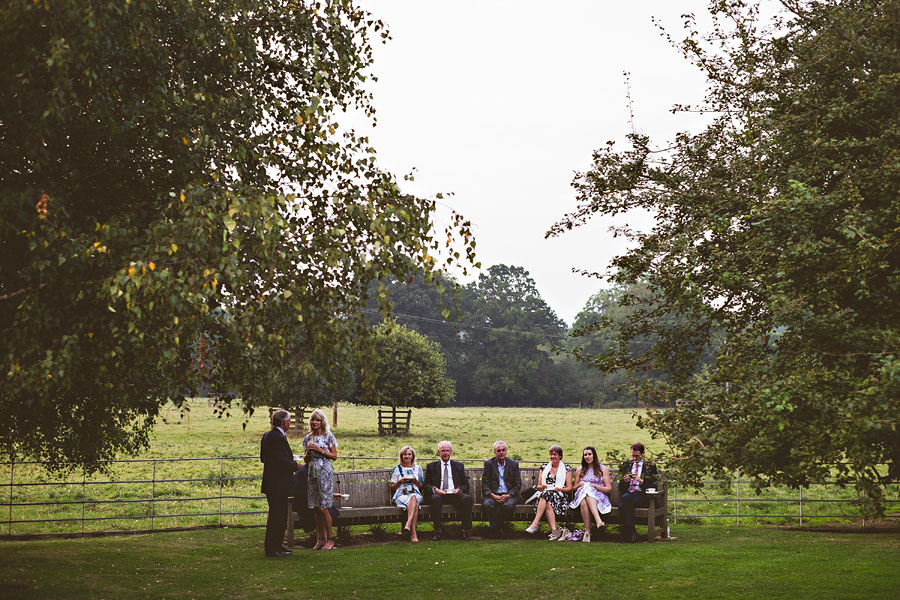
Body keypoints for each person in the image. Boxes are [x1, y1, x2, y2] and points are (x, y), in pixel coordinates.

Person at [260, 408, 300, 557]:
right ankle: (273, 548)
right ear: (285, 422)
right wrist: (295, 465)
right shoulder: (277, 437)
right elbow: (279, 461)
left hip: (272, 482)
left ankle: (277, 545)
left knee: (279, 515)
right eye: (289, 421)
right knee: (277, 515)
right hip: (278, 483)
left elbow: (264, 458)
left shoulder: (267, 435)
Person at [303, 408, 338, 550]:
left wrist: (320, 450)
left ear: (322, 422)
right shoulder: (307, 438)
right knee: (316, 507)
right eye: (313, 419)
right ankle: (320, 539)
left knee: (324, 507)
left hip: (325, 471)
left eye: (317, 419)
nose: (315, 422)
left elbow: (334, 456)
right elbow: (306, 460)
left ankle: (330, 539)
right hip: (312, 472)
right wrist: (308, 453)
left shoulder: (329, 436)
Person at [424, 440, 473, 541]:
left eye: (447, 450)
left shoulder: (459, 466)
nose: (445, 453)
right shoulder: (431, 466)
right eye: (442, 451)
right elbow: (426, 485)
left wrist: (459, 489)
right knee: (435, 499)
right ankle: (438, 530)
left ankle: (465, 530)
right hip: (439, 495)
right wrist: (435, 489)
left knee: (467, 499)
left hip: (454, 495)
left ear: (451, 452)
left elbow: (466, 484)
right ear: (438, 452)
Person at [525, 445, 573, 539]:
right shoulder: (544, 467)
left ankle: (535, 524)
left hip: (560, 497)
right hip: (545, 495)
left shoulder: (566, 468)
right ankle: (555, 532)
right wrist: (542, 486)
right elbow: (539, 486)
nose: (553, 457)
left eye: (555, 454)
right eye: (551, 454)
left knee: (546, 496)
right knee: (547, 498)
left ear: (560, 456)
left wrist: (560, 489)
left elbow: (569, 488)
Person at [569, 446, 612, 542]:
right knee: (585, 492)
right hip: (581, 495)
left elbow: (609, 488)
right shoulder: (580, 469)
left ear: (594, 455)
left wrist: (596, 487)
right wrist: (580, 484)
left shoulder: (602, 469)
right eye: (585, 455)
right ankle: (598, 522)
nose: (587, 457)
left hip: (599, 496)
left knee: (586, 494)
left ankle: (587, 532)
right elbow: (574, 488)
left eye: (589, 454)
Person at [618, 442, 659, 543]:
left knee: (623, 504)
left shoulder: (650, 467)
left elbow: (654, 485)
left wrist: (641, 480)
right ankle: (632, 533)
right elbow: (621, 487)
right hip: (629, 493)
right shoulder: (627, 465)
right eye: (633, 455)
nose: (634, 458)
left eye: (637, 456)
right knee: (625, 500)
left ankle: (628, 533)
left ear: (643, 454)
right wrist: (625, 481)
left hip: (642, 494)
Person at [481, 440, 522, 538]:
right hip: (493, 494)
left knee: (508, 505)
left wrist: (508, 495)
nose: (501, 452)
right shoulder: (489, 464)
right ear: (494, 452)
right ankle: (498, 529)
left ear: (506, 451)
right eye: (498, 451)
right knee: (487, 504)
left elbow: (518, 484)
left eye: (503, 450)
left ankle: (496, 529)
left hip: (509, 494)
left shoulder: (513, 464)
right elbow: (485, 484)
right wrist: (493, 495)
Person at [390, 445, 425, 542]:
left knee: (414, 497)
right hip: (401, 494)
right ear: (401, 456)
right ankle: (413, 532)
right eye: (405, 454)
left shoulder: (418, 468)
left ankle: (408, 525)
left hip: (415, 492)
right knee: (414, 501)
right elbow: (392, 487)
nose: (407, 456)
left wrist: (415, 482)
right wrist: (400, 482)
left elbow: (421, 485)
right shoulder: (397, 469)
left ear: (413, 456)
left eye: (409, 454)